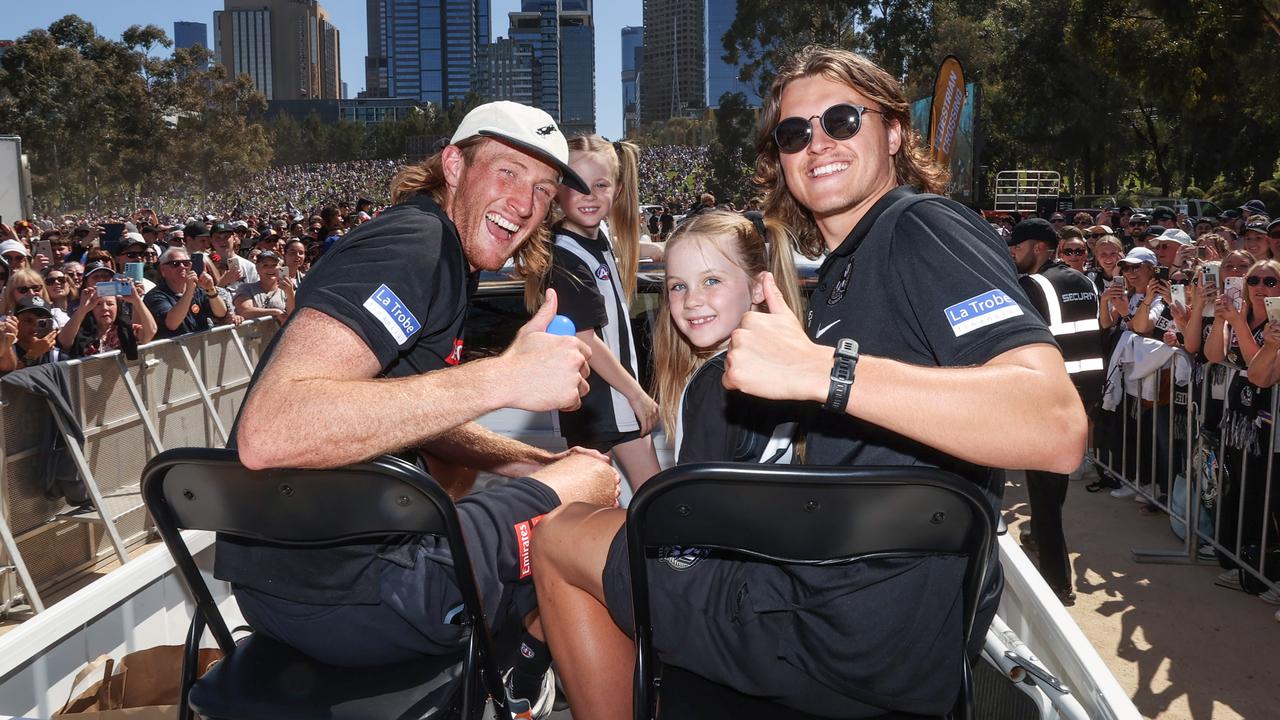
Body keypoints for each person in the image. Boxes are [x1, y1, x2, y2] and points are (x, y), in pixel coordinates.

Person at [532, 45, 1085, 720]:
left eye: (843, 121)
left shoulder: (921, 227)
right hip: (871, 633)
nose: (817, 143)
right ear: (780, 159)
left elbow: (1055, 424)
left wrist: (824, 372)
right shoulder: (848, 274)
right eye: (795, 133)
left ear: (894, 131)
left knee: (561, 536)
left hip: (822, 636)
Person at [222, 101, 621, 720]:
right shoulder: (415, 245)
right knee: (597, 485)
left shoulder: (437, 250)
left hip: (280, 593)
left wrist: (530, 463)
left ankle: (515, 656)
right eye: (508, 173)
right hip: (365, 594)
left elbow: (399, 413)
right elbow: (272, 430)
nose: (524, 203)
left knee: (567, 473)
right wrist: (505, 378)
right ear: (454, 165)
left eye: (544, 191)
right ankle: (520, 667)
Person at [529, 136, 661, 490]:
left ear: (617, 191)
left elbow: (623, 246)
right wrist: (636, 393)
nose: (589, 195)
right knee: (599, 510)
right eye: (577, 185)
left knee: (655, 498)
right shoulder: (563, 255)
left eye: (600, 185)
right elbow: (585, 338)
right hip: (595, 403)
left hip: (613, 401)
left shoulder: (595, 237)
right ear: (558, 191)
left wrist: (664, 250)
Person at [1008, 218, 1103, 604]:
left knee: (1045, 489)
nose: (1014, 255)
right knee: (1052, 483)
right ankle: (1038, 534)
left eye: (1018, 248)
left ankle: (1057, 582)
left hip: (1050, 396)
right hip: (1083, 394)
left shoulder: (1032, 286)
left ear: (1039, 248)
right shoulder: (1084, 281)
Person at [143, 247, 229, 338]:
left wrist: (210, 289)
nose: (182, 267)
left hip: (200, 348)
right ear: (163, 270)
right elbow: (172, 324)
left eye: (186, 263)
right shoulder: (155, 296)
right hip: (172, 350)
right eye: (175, 264)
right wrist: (189, 291)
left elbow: (221, 313)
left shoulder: (198, 291)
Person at [57, 282, 157, 358]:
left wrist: (137, 301)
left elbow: (150, 332)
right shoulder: (79, 330)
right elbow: (64, 341)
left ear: (118, 308)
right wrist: (83, 309)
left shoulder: (126, 330)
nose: (104, 308)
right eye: (98, 304)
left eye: (110, 304)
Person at [232, 251, 295, 322]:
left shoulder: (286, 290)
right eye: (265, 265)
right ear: (257, 269)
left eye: (274, 265)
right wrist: (275, 312)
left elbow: (292, 315)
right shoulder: (246, 288)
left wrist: (290, 293)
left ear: (280, 268)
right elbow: (245, 311)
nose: (270, 269)